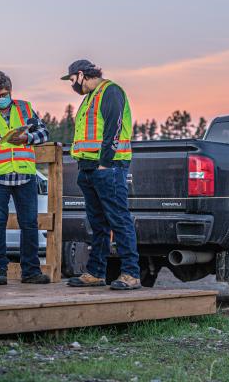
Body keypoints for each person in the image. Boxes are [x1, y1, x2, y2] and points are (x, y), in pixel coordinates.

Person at [62, 59, 141, 290]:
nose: (72, 85)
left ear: (80, 74)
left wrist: (105, 163)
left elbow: (113, 128)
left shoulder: (111, 91)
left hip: (108, 168)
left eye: (72, 80)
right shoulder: (90, 98)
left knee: (119, 219)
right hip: (88, 169)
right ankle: (96, 272)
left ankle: (131, 273)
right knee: (98, 224)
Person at [0, 71, 51, 286]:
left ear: (10, 92)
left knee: (30, 224)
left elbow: (44, 133)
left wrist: (28, 137)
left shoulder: (25, 108)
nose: (1, 98)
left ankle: (31, 272)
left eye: (4, 94)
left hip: (24, 174)